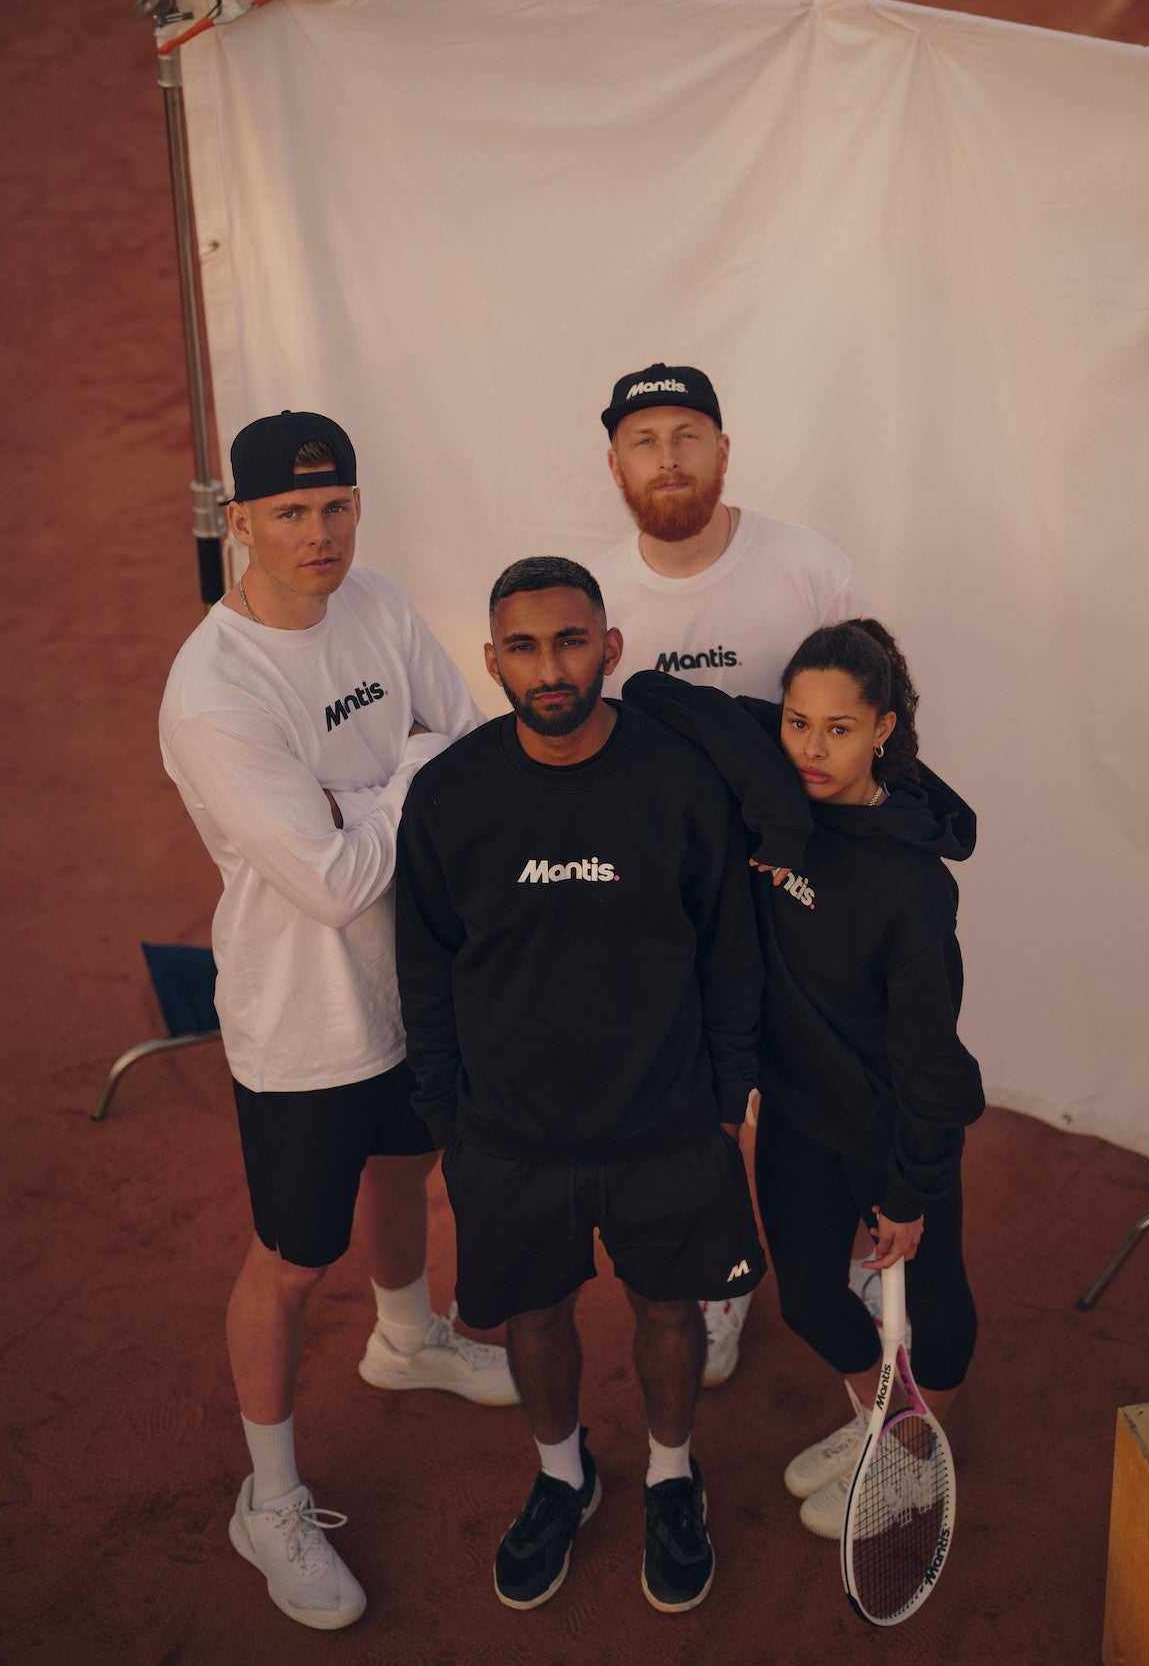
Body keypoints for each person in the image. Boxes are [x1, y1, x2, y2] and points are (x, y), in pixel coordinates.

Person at [159, 410, 517, 1634]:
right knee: (293, 1260)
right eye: (290, 512)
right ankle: (268, 1500)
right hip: (300, 1018)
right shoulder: (215, 691)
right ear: (240, 522)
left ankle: (408, 1336)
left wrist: (371, 792)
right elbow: (331, 881)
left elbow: (466, 745)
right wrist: (406, 774)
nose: (319, 532)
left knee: (409, 1164)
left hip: (413, 981)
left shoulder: (377, 601)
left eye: (336, 505)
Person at [396, 556, 766, 1615]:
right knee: (534, 1313)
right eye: (523, 647)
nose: (550, 667)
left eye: (570, 641)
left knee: (670, 1307)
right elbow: (424, 969)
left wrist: (727, 1100)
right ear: (492, 661)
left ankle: (671, 1475)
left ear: (611, 646)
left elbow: (730, 949)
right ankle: (564, 1476)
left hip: (667, 1120)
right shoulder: (451, 795)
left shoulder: (680, 780)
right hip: (511, 1132)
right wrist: (449, 1120)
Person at [623, 617, 984, 1539]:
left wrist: (909, 1188)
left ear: (883, 731)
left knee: (934, 1298)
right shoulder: (781, 795)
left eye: (839, 729)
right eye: (796, 723)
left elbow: (929, 1056)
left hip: (896, 1121)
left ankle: (916, 1457)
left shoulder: (913, 884)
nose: (812, 750)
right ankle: (879, 1417)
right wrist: (772, 788)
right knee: (810, 1300)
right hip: (798, 1110)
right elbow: (653, 693)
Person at [591, 362, 863, 1386]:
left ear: (723, 449)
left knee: (823, 1081)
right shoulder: (594, 596)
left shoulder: (809, 568)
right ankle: (724, 1272)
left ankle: (846, 1241)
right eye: (645, 440)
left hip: (803, 880)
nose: (668, 458)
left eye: (687, 435)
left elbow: (875, 717)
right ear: (614, 463)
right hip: (671, 901)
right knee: (697, 1095)